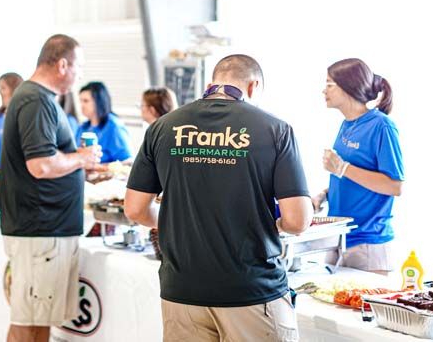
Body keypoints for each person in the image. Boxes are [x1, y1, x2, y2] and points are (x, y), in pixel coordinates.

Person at [125, 54, 313, 342]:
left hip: (182, 292)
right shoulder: (275, 130)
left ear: (210, 84)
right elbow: (298, 221)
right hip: (250, 289)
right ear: (253, 87)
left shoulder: (162, 127)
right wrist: (273, 225)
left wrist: (178, 223)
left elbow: (135, 209)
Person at [0, 34, 105, 342]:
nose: (79, 75)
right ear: (62, 65)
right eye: (78, 67)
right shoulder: (36, 100)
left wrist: (79, 168)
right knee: (28, 322)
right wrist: (81, 158)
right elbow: (41, 165)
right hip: (40, 230)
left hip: (45, 229)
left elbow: (47, 161)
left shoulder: (38, 98)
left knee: (38, 320)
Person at [313, 58, 404, 275]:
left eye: (329, 84)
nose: (323, 90)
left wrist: (342, 168)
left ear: (349, 87)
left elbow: (394, 186)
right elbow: (352, 180)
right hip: (339, 238)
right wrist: (323, 195)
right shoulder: (347, 124)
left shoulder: (382, 126)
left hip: (368, 242)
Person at [75, 81, 132, 163]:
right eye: (80, 101)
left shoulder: (114, 127)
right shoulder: (82, 127)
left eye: (86, 101)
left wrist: (99, 168)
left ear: (99, 101)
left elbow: (128, 161)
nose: (82, 105)